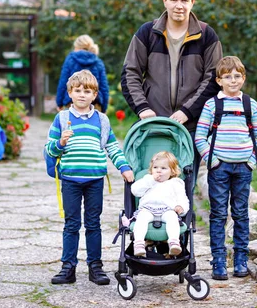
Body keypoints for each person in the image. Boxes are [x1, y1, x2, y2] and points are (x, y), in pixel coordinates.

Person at [121, 0, 223, 186]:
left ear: (192, 2)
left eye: (184, 0)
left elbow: (214, 78)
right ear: (164, 1)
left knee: (184, 185)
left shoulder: (206, 35)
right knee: (149, 180)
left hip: (191, 126)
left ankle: (183, 218)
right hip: (153, 126)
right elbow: (130, 73)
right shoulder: (147, 33)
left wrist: (187, 111)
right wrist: (142, 109)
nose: (179, 6)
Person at [44, 69, 134, 286]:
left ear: (94, 95)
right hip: (71, 180)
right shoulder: (62, 118)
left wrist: (124, 167)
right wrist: (60, 143)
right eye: (78, 90)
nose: (82, 94)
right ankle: (68, 267)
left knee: (93, 224)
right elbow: (49, 150)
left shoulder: (101, 120)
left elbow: (112, 146)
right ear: (70, 93)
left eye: (87, 91)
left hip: (95, 180)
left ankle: (96, 266)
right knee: (71, 224)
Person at [194, 56, 257, 281]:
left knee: (241, 213)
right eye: (227, 77)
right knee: (218, 214)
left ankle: (241, 258)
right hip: (220, 167)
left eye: (237, 76)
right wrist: (211, 160)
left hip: (243, 166)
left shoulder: (249, 105)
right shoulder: (212, 105)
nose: (233, 81)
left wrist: (251, 161)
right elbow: (200, 137)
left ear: (243, 78)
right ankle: (218, 260)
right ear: (219, 80)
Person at [130, 151, 190, 257]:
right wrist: (150, 180)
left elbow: (183, 198)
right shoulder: (147, 180)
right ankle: (138, 244)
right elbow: (135, 190)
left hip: (167, 210)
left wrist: (181, 207)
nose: (159, 171)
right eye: (155, 167)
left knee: (172, 219)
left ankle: (174, 243)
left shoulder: (175, 183)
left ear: (172, 171)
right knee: (141, 219)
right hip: (148, 209)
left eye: (163, 168)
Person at [55, 35, 109, 113]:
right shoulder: (98, 62)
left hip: (72, 103)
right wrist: (104, 107)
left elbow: (63, 83)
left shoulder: (70, 60)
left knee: (72, 125)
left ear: (77, 47)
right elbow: (104, 87)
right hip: (95, 105)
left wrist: (59, 103)